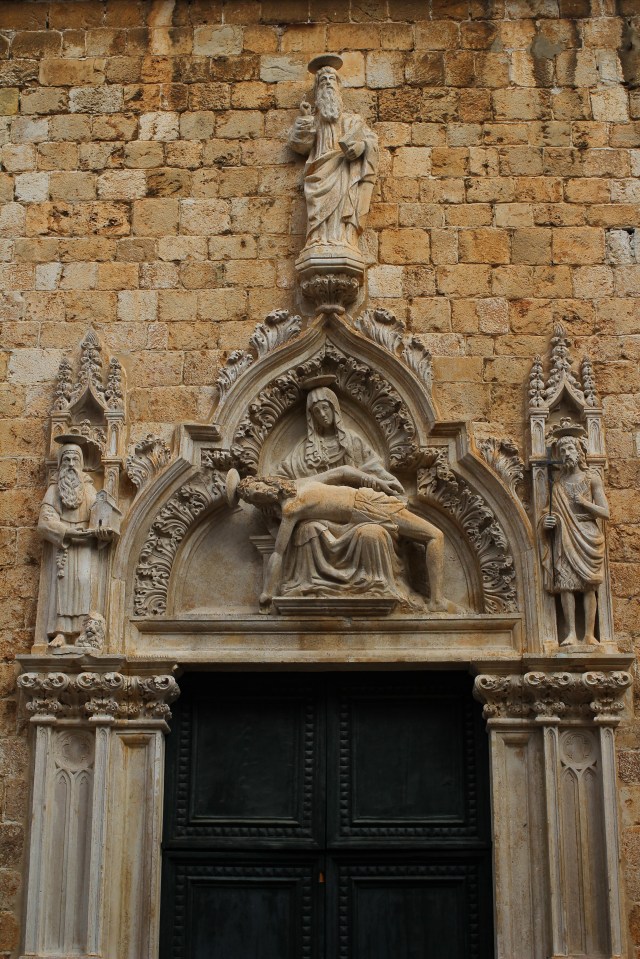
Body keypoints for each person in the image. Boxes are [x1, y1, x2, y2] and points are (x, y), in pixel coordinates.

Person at [228, 468, 459, 615]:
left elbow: (342, 471)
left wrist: (376, 482)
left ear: (267, 481)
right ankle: (437, 601)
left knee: (435, 535)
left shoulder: (299, 483)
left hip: (368, 499)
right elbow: (279, 552)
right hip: (364, 513)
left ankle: (436, 600)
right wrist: (267, 592)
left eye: (257, 487)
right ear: (260, 503)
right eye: (253, 496)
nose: (259, 492)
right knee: (434, 535)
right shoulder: (290, 510)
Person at [287, 55, 378, 254]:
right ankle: (318, 240)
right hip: (319, 172)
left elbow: (371, 141)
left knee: (343, 204)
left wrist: (361, 147)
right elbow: (299, 146)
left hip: (344, 171)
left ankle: (344, 239)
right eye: (323, 80)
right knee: (317, 210)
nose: (328, 83)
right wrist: (305, 118)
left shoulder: (352, 120)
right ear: (317, 90)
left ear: (338, 87)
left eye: (332, 80)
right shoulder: (313, 120)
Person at [38, 442, 114, 645]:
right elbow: (45, 522)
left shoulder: (88, 489)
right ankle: (61, 632)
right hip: (64, 544)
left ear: (80, 464)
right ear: (61, 464)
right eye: (67, 460)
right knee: (62, 585)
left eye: (75, 460)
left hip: (86, 546)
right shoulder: (54, 491)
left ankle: (83, 631)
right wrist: (66, 531)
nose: (71, 464)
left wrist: (101, 531)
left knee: (83, 581)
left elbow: (100, 515)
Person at [541, 423, 609, 645]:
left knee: (589, 586)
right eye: (562, 450)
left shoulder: (592, 479)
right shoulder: (558, 485)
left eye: (570, 449)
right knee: (566, 585)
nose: (566, 453)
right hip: (564, 537)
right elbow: (548, 511)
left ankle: (589, 634)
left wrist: (584, 503)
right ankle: (570, 632)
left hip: (587, 534)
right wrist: (546, 522)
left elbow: (605, 512)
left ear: (579, 452)